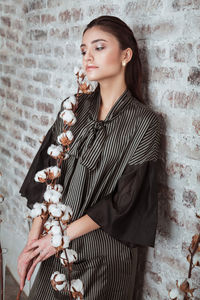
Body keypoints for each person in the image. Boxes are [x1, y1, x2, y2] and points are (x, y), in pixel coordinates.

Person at [17, 15, 161, 299]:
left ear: (125, 55)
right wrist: (34, 242)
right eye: (84, 50)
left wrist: (58, 238)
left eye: (99, 47)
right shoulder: (72, 108)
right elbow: (47, 171)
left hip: (103, 256)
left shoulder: (144, 122)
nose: (88, 57)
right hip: (53, 248)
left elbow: (124, 200)